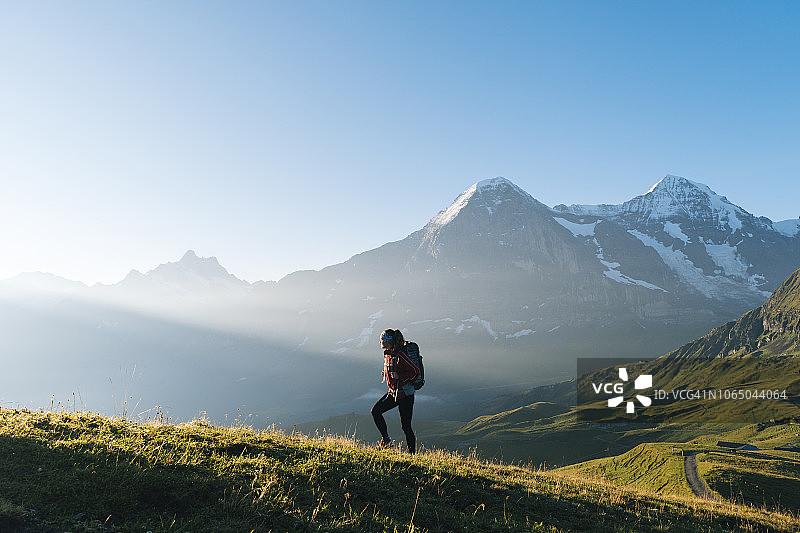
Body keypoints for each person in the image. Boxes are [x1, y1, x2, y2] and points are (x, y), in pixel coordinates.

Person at [371, 328, 420, 454]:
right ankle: (386, 441)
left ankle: (412, 455)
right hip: (394, 393)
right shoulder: (389, 353)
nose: (381, 342)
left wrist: (400, 378)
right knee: (376, 411)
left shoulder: (400, 355)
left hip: (405, 395)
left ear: (388, 341)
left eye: (382, 340)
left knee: (406, 426)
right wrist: (387, 374)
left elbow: (415, 372)